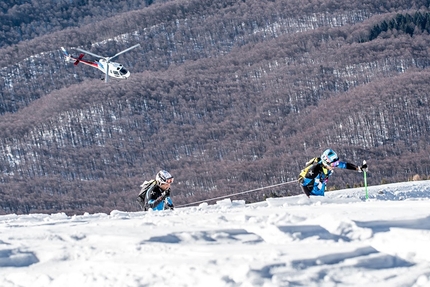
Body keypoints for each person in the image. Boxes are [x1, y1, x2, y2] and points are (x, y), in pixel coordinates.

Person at [298, 149, 367, 197]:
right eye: (333, 164)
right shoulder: (315, 169)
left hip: (320, 193)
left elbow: (344, 165)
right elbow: (303, 183)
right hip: (313, 194)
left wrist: (358, 168)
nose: (335, 165)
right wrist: (309, 197)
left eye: (336, 163)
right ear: (326, 163)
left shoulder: (329, 164)